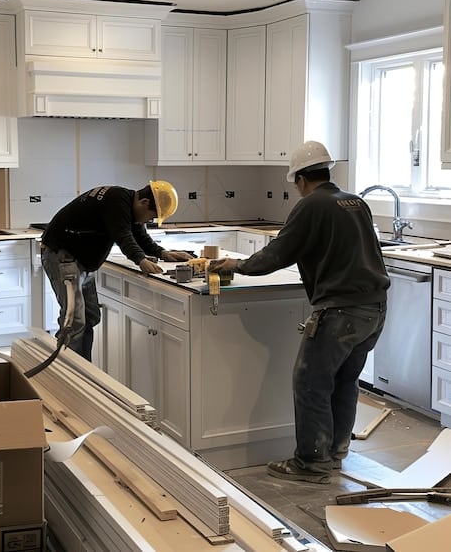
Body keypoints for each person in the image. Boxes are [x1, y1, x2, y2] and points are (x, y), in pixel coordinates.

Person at [208, 141, 390, 484]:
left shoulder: (311, 206)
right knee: (344, 380)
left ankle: (311, 463)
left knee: (310, 383)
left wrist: (238, 264)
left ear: (301, 180)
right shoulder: (355, 202)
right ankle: (336, 452)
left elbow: (276, 255)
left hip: (340, 310)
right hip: (375, 309)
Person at [40, 181, 193, 361]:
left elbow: (138, 234)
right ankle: (66, 373)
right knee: (74, 321)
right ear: (144, 202)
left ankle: (83, 370)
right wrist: (140, 259)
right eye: (151, 217)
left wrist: (162, 253)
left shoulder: (126, 204)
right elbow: (123, 235)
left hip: (80, 262)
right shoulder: (117, 201)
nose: (148, 221)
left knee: (90, 316)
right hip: (62, 257)